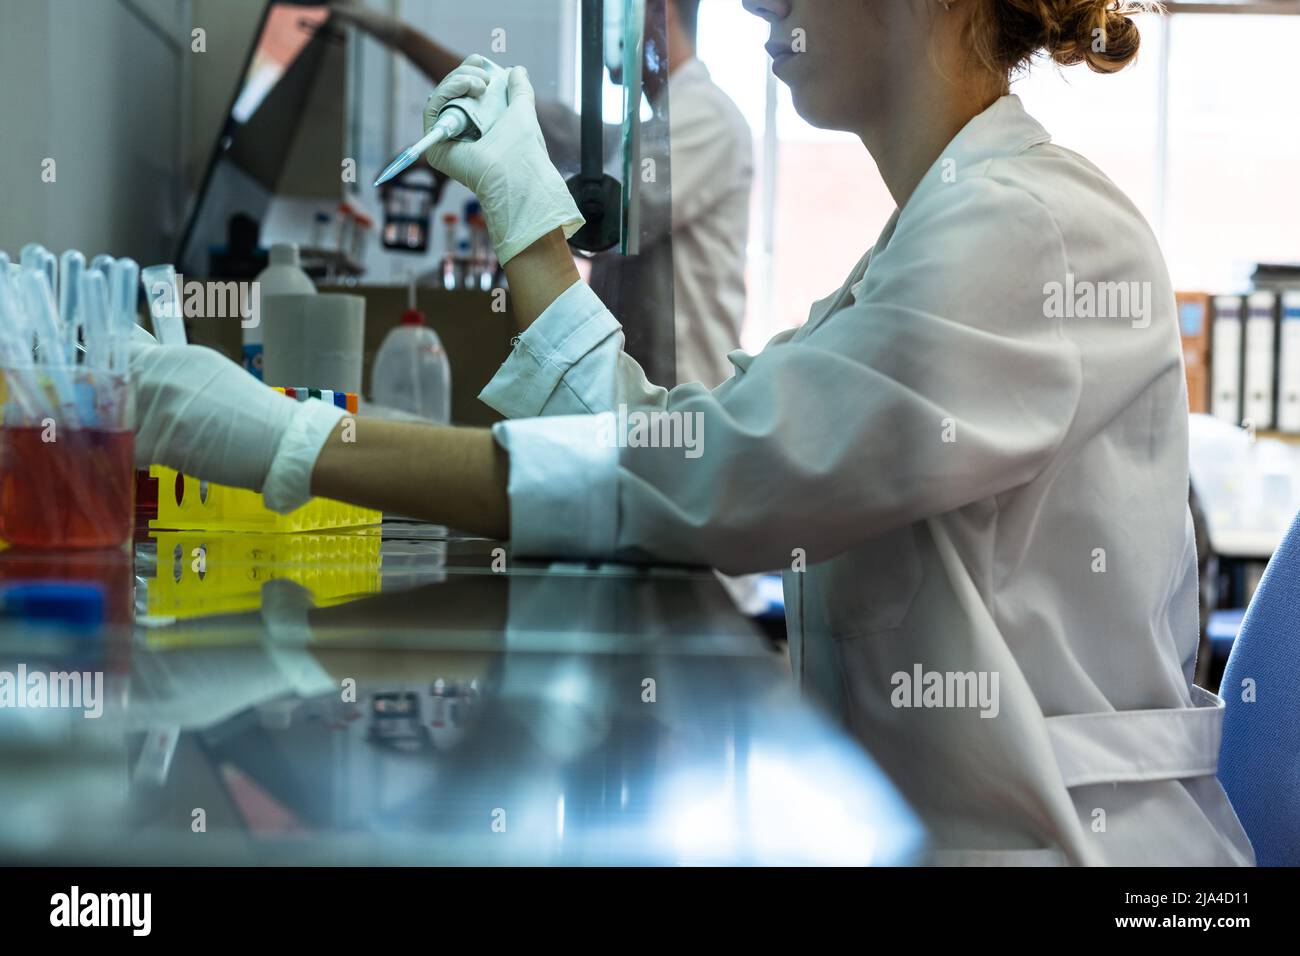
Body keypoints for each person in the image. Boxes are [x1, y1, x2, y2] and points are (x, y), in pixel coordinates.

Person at [132, 0, 1253, 864]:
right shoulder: (945, 225)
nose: (760, 4)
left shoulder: (1032, 229)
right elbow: (680, 447)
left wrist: (294, 443)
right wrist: (525, 211)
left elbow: (711, 482)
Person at [331, 0, 753, 390]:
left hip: (685, 399)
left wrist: (493, 173)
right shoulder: (647, 131)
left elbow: (601, 221)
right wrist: (399, 37)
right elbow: (536, 119)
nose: (609, 28)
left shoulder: (704, 115)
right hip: (642, 399)